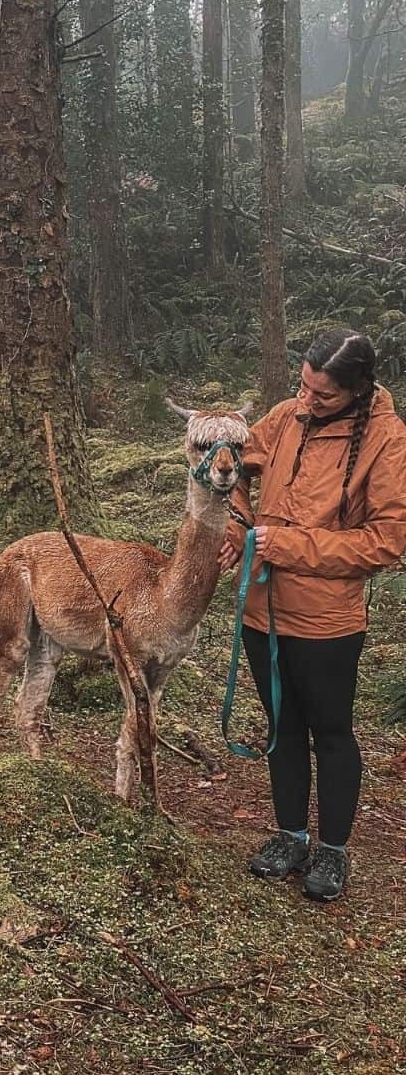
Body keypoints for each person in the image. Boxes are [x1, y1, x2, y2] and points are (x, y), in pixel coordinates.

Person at [219, 329, 406, 901]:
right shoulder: (283, 417)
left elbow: (388, 542)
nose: (306, 402)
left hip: (327, 621)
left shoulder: (385, 439)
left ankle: (333, 849)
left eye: (321, 396)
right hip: (261, 608)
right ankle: (291, 834)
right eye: (302, 387)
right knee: (282, 728)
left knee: (329, 732)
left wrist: (290, 546)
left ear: (355, 391)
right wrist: (238, 526)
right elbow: (233, 474)